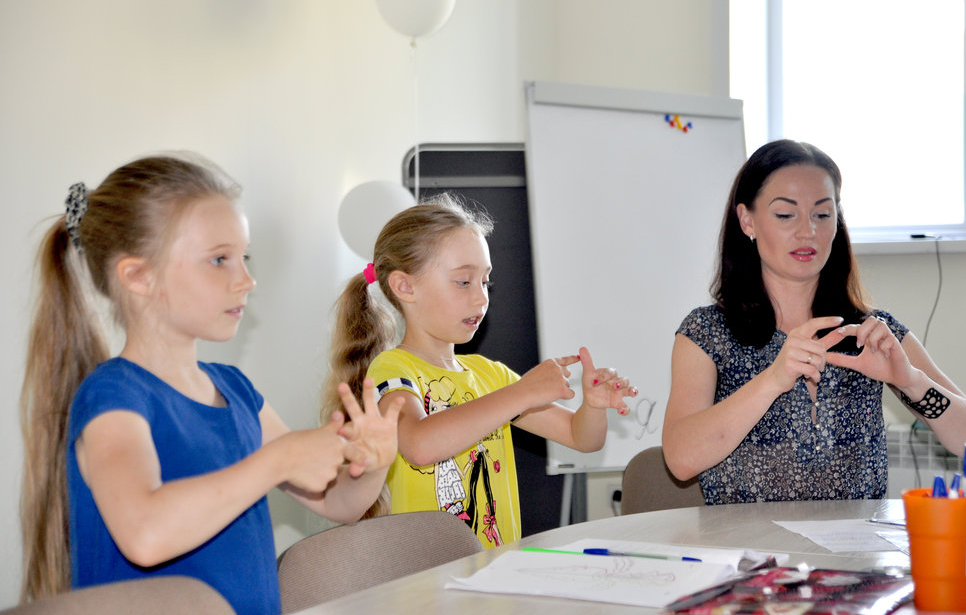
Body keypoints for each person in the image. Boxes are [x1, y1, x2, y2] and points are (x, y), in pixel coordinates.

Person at [19, 155, 401, 614]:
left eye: (244, 258)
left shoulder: (236, 391)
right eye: (219, 260)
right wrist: (277, 460)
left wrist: (374, 463)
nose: (247, 280)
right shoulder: (113, 397)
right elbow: (145, 534)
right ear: (138, 276)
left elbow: (338, 503)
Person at [662, 139, 966, 505]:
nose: (808, 231)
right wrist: (772, 380)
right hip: (746, 542)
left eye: (822, 214)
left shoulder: (871, 331)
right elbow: (680, 460)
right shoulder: (707, 333)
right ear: (747, 220)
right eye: (785, 215)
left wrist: (911, 381)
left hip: (855, 542)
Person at [322, 193, 636, 547]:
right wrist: (523, 393)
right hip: (428, 576)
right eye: (463, 281)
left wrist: (593, 406)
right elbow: (420, 445)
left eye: (485, 281)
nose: (482, 297)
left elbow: (583, 438)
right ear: (405, 286)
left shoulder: (491, 375)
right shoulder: (392, 368)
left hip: (495, 570)